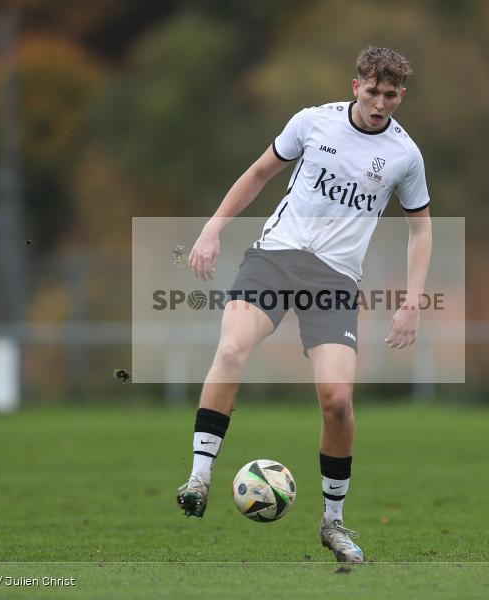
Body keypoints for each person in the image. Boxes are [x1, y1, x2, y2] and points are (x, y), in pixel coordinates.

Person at [175, 46, 432, 563]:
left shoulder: (406, 155)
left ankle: (333, 524)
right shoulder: (312, 123)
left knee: (337, 400)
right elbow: (258, 174)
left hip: (335, 281)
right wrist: (212, 229)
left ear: (401, 95)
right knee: (230, 352)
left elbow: (421, 227)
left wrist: (412, 301)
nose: (380, 102)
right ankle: (199, 478)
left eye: (390, 94)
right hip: (275, 258)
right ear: (355, 85)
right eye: (372, 90)